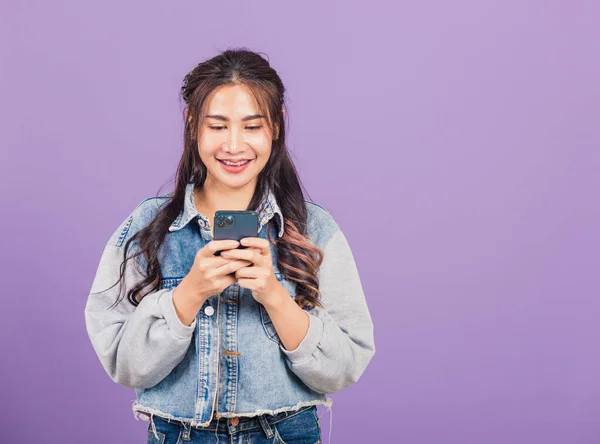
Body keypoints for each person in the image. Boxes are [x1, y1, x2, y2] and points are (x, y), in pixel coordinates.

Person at [84, 48, 375, 444]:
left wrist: (274, 296)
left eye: (251, 127)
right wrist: (189, 293)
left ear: (276, 126)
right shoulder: (147, 228)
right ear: (192, 124)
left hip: (285, 434)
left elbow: (344, 367)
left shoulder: (314, 230)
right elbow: (125, 365)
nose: (234, 145)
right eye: (217, 126)